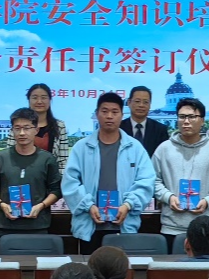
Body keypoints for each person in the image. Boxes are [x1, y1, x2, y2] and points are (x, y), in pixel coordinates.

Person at [62, 92, 156, 254]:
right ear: (97, 114)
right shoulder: (81, 147)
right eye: (104, 111)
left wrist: (128, 205)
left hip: (124, 224)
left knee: (121, 268)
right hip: (89, 226)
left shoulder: (135, 148)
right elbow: (70, 182)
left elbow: (146, 181)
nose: (109, 116)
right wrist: (88, 205)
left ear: (122, 115)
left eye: (115, 112)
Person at [152, 98, 209, 252]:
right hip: (172, 227)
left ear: (202, 120)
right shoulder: (164, 149)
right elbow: (154, 181)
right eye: (182, 117)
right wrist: (169, 197)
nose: (186, 121)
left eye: (191, 117)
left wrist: (208, 201)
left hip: (206, 226)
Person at [0, 107, 62, 238]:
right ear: (12, 130)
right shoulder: (0, 157)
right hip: (5, 226)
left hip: (38, 225)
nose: (22, 133)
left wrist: (41, 206)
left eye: (27, 128)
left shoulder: (47, 159)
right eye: (17, 128)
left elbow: (56, 190)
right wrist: (2, 205)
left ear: (36, 130)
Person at [7, 84, 69, 173]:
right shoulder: (18, 125)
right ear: (28, 100)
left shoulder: (60, 126)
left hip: (51, 177)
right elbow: (9, 156)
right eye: (35, 98)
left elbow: (63, 160)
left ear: (50, 100)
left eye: (43, 98)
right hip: (21, 175)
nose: (39, 101)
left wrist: (57, 179)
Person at [120, 85, 169, 157]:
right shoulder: (119, 128)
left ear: (150, 105)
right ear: (129, 103)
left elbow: (163, 157)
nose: (141, 105)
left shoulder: (160, 130)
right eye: (137, 101)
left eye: (145, 102)